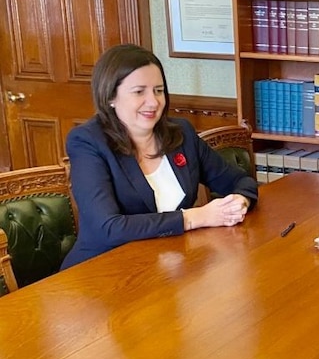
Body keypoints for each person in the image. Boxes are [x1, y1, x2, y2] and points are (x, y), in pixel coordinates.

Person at [61, 44, 258, 269]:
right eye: (139, 92)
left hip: (167, 266)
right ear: (110, 97)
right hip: (103, 272)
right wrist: (195, 217)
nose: (153, 102)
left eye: (158, 90)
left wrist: (239, 202)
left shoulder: (181, 133)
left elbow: (240, 182)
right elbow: (108, 227)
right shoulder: (88, 142)